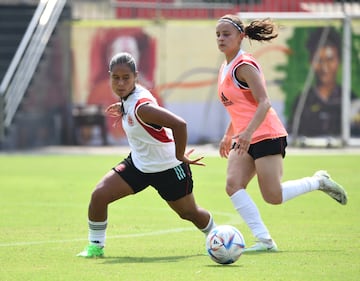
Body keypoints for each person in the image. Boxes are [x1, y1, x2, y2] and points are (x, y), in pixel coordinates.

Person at [215, 14, 348, 252]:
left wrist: (246, 134)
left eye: (226, 34)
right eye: (218, 35)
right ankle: (265, 241)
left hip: (266, 134)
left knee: (273, 196)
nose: (221, 39)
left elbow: (264, 103)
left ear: (241, 37)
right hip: (245, 136)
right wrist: (229, 134)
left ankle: (318, 181)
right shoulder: (225, 67)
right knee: (233, 185)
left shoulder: (244, 65)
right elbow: (239, 107)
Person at [77, 52, 216, 258]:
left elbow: (180, 124)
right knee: (99, 195)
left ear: (136, 77)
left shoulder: (142, 107)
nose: (121, 83)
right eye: (116, 77)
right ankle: (95, 247)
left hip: (167, 167)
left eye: (126, 78)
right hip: (139, 165)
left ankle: (219, 237)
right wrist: (122, 107)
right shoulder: (130, 100)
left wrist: (180, 156)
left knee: (189, 213)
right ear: (110, 77)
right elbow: (131, 104)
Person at [288, 27, 358, 137]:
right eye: (319, 60)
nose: (325, 67)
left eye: (330, 59)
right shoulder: (303, 101)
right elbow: (292, 132)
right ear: (311, 62)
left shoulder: (350, 98)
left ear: (339, 60)